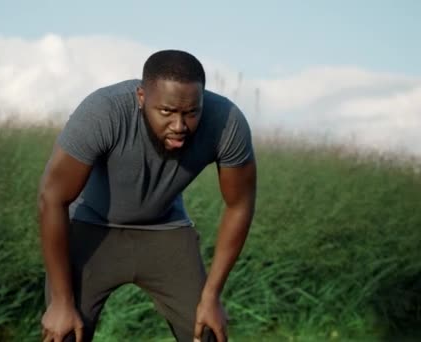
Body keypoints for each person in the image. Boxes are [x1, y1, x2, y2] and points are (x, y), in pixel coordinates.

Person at [37, 49, 257, 342]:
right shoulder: (103, 112)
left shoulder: (226, 123)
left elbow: (239, 204)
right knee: (64, 332)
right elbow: (51, 198)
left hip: (164, 231)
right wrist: (62, 303)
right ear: (141, 97)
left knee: (207, 333)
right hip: (92, 228)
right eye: (166, 111)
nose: (179, 126)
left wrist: (212, 296)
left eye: (191, 113)